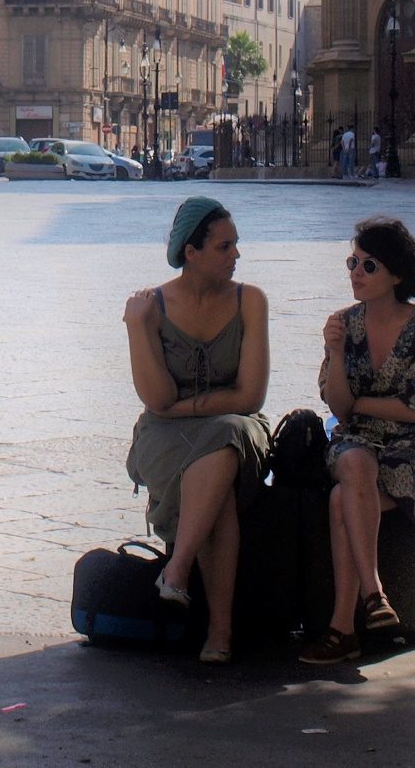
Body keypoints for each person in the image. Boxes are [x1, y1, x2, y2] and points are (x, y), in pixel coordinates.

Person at [124, 197, 270, 666]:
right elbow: (156, 399)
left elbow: (251, 397)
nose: (236, 256)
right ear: (192, 251)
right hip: (166, 437)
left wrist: (188, 406)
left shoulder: (251, 300)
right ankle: (220, 632)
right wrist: (136, 327)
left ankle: (179, 568)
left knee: (226, 434)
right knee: (218, 487)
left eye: (236, 246)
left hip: (235, 429)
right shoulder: (154, 306)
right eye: (225, 247)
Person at [300, 215, 415, 666]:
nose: (356, 274)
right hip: (357, 443)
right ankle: (375, 594)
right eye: (353, 262)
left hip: (411, 447)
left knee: (341, 499)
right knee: (355, 462)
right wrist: (337, 353)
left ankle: (343, 629)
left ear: (398, 275)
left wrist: (363, 402)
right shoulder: (343, 325)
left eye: (369, 266)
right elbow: (340, 410)